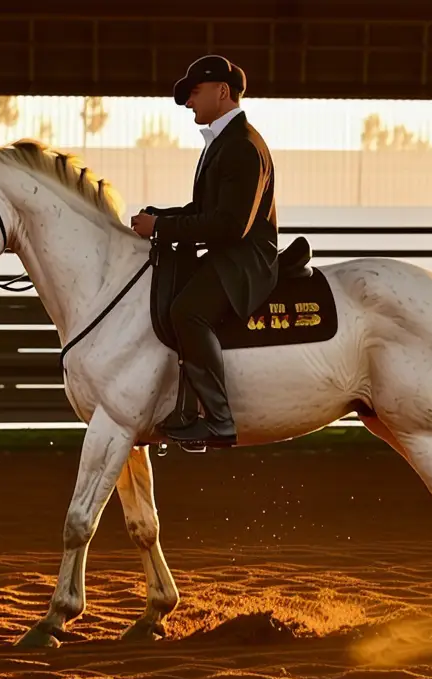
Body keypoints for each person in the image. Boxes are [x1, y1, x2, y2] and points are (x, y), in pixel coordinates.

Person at [129, 55, 279, 447]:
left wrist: (162, 228)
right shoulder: (225, 143)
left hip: (245, 261)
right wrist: (159, 216)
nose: (189, 103)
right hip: (229, 255)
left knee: (187, 311)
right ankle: (182, 406)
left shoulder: (243, 147)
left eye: (194, 93)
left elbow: (231, 225)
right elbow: (203, 213)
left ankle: (218, 419)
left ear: (222, 91)